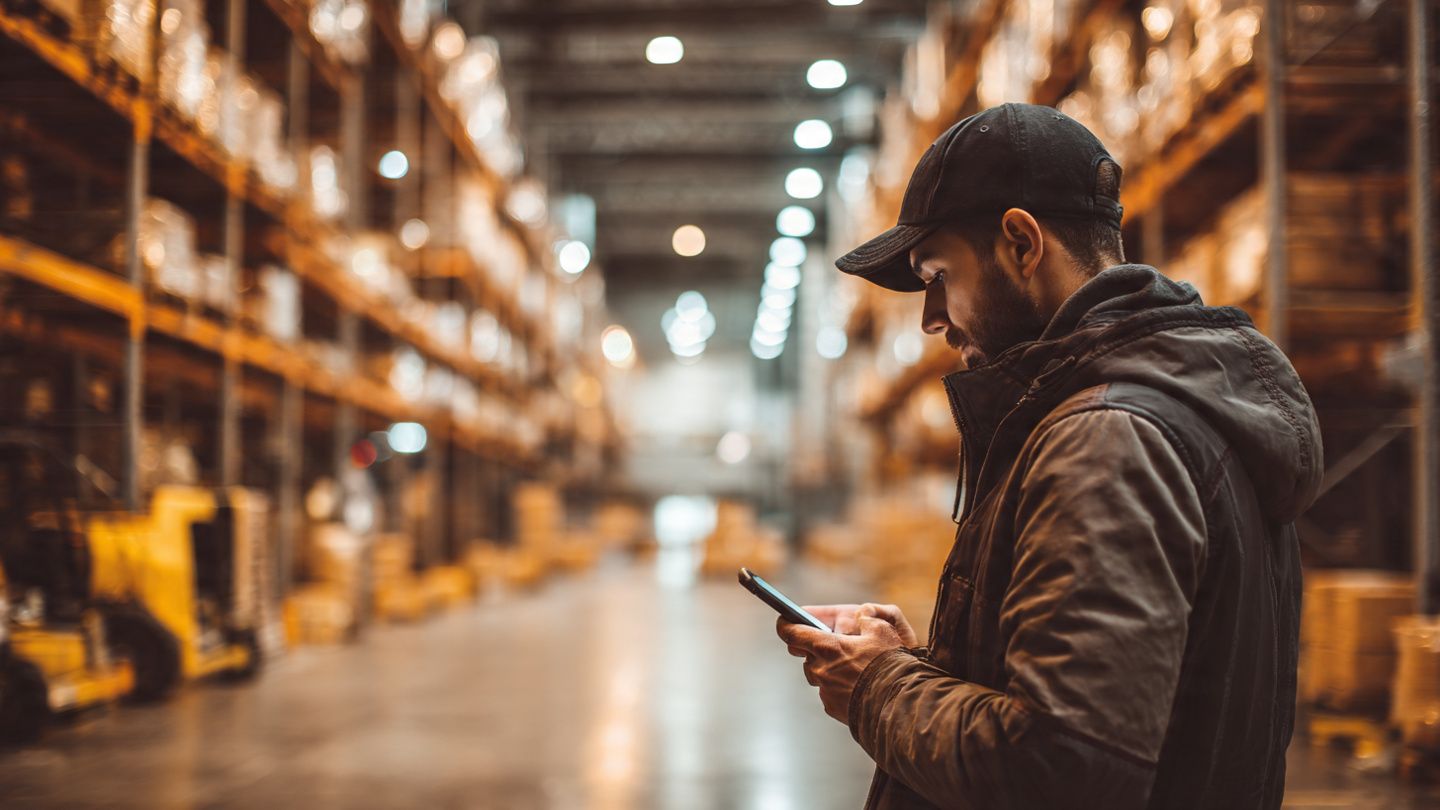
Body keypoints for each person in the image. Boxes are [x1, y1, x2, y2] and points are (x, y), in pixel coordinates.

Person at [776, 103, 1322, 810]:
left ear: (1021, 243)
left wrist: (878, 690)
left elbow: (1061, 768)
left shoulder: (1106, 439)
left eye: (938, 275)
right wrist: (915, 666)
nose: (931, 318)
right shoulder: (1155, 408)